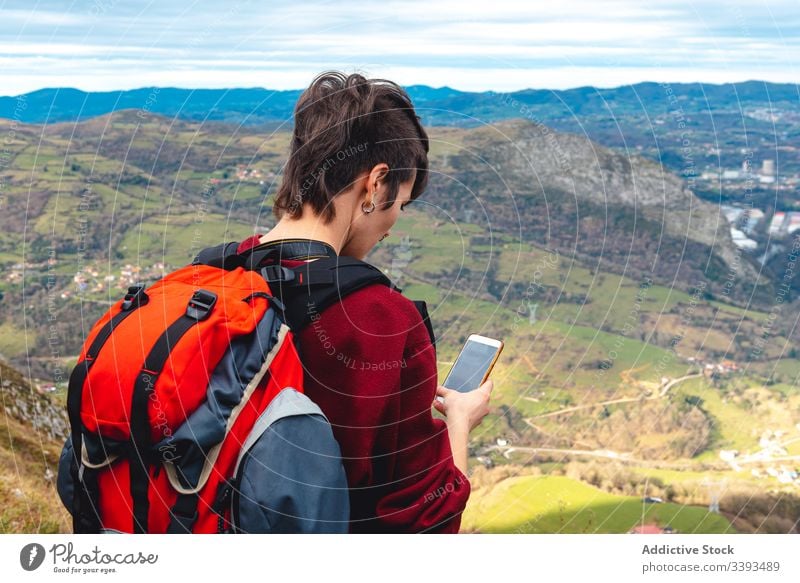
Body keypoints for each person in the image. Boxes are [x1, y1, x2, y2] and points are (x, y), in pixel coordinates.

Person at [240, 70, 494, 533]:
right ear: (375, 185)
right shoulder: (381, 320)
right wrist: (459, 422)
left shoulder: (214, 279)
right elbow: (425, 523)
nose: (394, 221)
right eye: (401, 202)